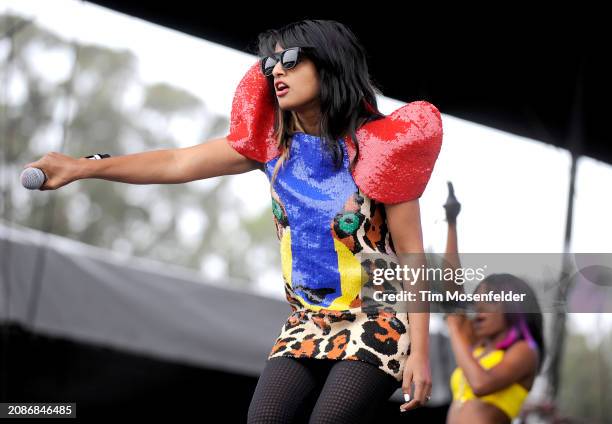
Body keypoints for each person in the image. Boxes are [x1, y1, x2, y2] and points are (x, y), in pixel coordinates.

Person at [23, 19, 443, 423]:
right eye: (270, 64)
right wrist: (82, 167)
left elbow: (412, 256)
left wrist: (420, 354)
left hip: (379, 318)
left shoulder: (383, 147)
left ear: (330, 62)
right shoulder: (273, 147)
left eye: (292, 59)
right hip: (308, 320)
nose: (277, 70)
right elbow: (176, 161)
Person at [440, 183, 546, 424]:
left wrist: (455, 328)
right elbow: (452, 292)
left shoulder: (524, 352)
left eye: (487, 302)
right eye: (476, 302)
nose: (478, 309)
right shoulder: (477, 346)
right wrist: (452, 224)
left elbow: (481, 384)